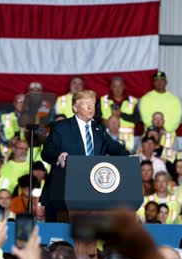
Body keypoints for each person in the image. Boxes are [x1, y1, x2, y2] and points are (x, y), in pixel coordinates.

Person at [41, 89, 130, 221]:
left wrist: (130, 157)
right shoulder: (61, 127)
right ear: (75, 107)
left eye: (93, 104)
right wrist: (58, 157)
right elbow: (47, 151)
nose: (90, 108)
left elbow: (113, 147)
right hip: (64, 190)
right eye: (85, 104)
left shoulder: (98, 128)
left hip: (93, 191)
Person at [98, 76, 140, 151]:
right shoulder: (103, 100)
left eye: (120, 86)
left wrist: (121, 115)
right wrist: (103, 122)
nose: (117, 89)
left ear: (124, 86)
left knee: (126, 160)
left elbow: (137, 119)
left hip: (127, 138)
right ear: (110, 87)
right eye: (114, 86)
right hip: (108, 136)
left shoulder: (132, 101)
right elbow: (96, 119)